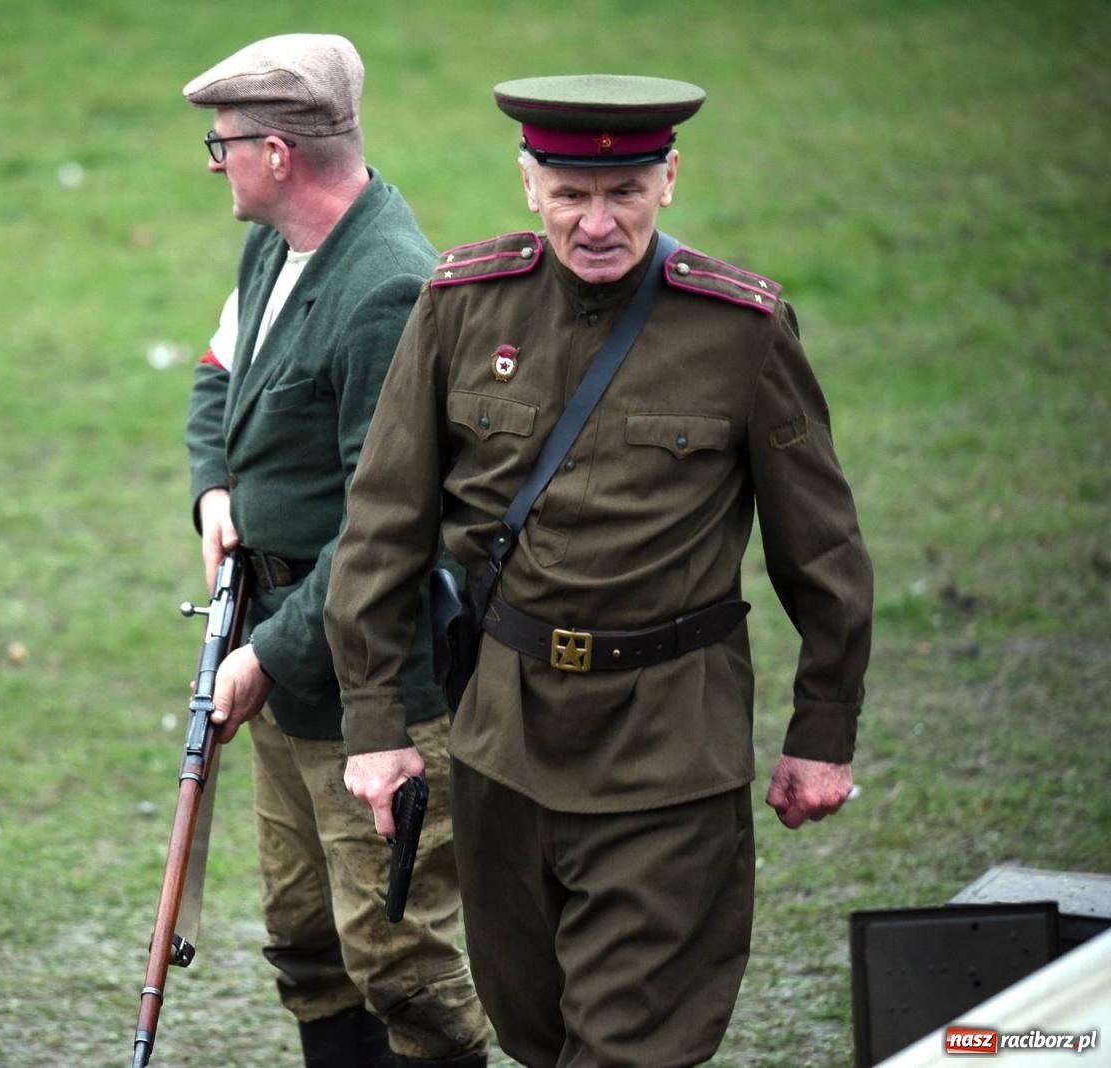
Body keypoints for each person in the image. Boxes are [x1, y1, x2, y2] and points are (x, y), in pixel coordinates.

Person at [327, 73, 874, 1067]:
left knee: (629, 1048)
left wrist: (821, 732)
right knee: (536, 1034)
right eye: (571, 192)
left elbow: (821, 547)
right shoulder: (459, 306)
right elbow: (382, 522)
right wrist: (374, 724)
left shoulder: (740, 331)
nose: (596, 222)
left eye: (623, 192)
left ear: (668, 179)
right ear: (529, 183)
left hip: (668, 748)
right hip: (503, 744)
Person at [179, 33, 491, 1068]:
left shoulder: (384, 292)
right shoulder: (276, 244)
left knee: (402, 971)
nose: (214, 163)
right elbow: (219, 373)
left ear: (276, 151)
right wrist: (214, 489)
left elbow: (383, 531)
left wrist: (266, 656)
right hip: (277, 660)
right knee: (308, 946)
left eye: (221, 145)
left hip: (371, 689)